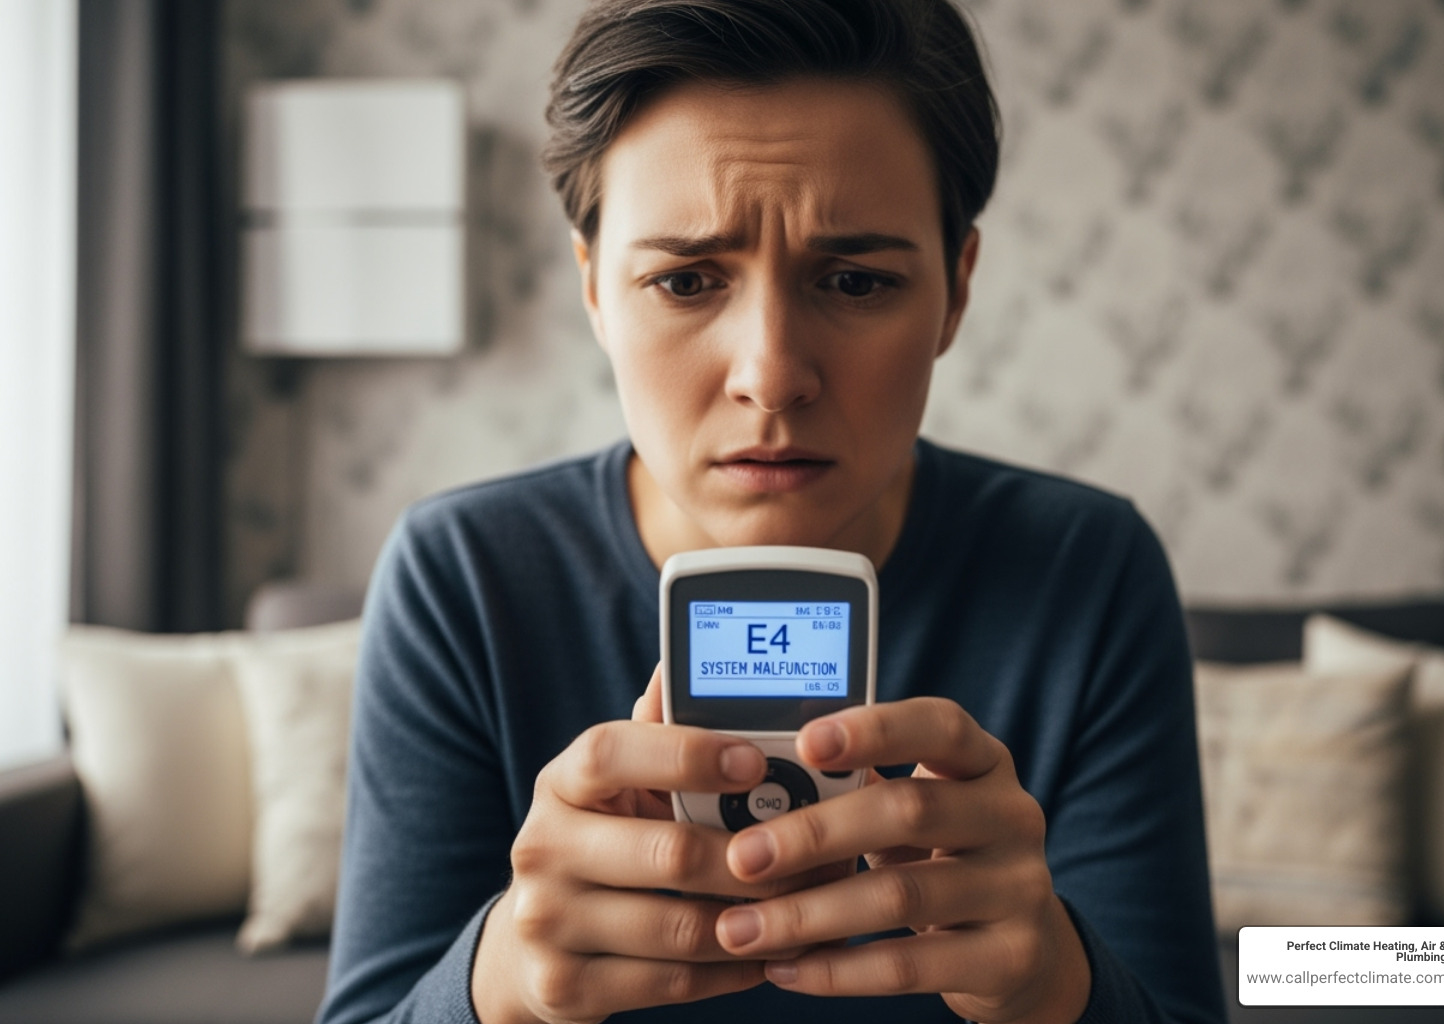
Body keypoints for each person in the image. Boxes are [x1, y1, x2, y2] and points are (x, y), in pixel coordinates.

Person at [317, 1, 1227, 1022]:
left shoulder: (1087, 571)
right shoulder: (464, 577)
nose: (773, 374)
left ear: (958, 291)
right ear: (594, 291)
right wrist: (506, 982)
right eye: (688, 278)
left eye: (853, 278)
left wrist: (1056, 983)